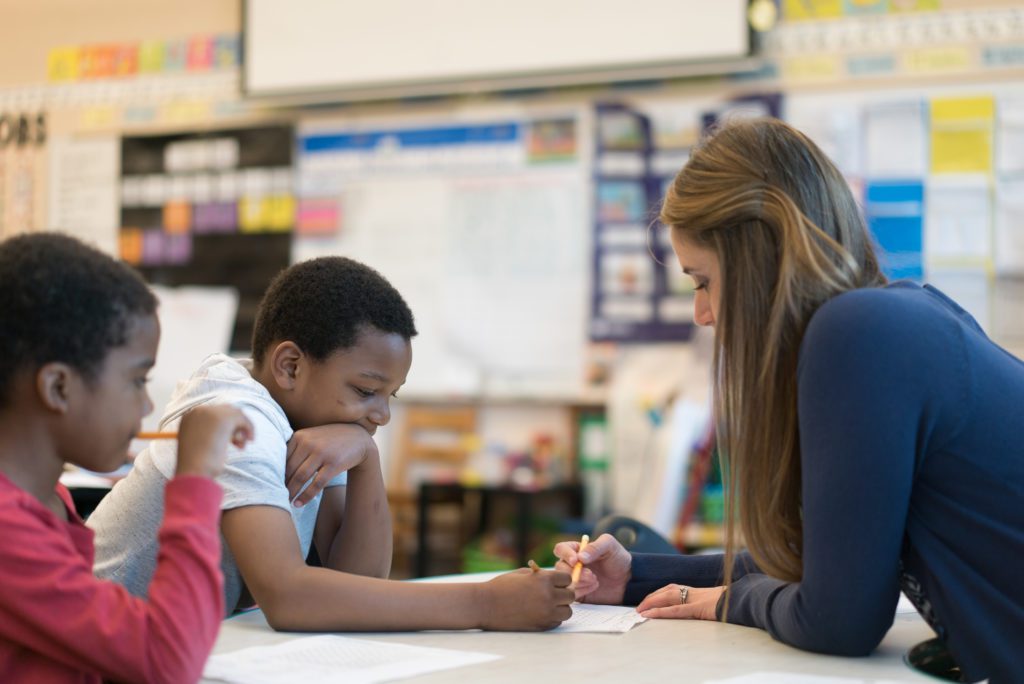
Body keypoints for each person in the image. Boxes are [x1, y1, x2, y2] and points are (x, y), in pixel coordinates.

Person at [554, 118, 1024, 683]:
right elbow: (832, 556)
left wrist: (731, 599)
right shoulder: (893, 320)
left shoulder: (860, 333)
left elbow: (837, 621)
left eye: (702, 281)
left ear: (758, 259)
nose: (701, 314)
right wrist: (634, 578)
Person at [89, 255, 573, 632]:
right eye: (365, 391)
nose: (381, 414)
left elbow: (356, 583)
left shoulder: (315, 419)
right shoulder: (239, 420)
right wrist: (484, 604)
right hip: (87, 661)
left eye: (390, 397)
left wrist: (366, 458)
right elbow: (289, 597)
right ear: (290, 366)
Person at [0, 233, 253, 683]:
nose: (146, 408)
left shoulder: (47, 499)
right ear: (59, 387)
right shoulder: (8, 527)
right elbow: (168, 660)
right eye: (137, 381)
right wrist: (194, 480)